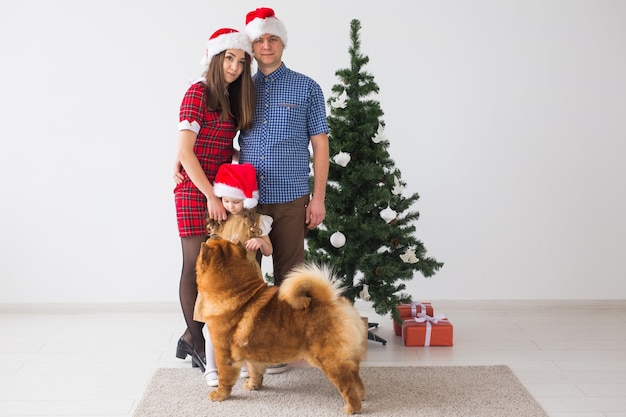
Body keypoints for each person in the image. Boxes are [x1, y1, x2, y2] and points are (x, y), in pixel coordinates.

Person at [238, 7, 330, 374]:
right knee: (247, 275)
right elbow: (219, 135)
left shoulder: (307, 87)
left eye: (272, 38)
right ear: (252, 45)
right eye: (259, 39)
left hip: (292, 195)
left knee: (290, 275)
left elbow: (320, 145)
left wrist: (318, 197)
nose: (265, 45)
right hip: (247, 201)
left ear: (282, 43)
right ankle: (252, 345)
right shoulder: (241, 87)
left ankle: (286, 346)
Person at [173, 28, 255, 375]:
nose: (235, 67)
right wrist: (209, 195)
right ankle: (198, 342)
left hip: (218, 191)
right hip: (196, 192)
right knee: (195, 267)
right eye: (229, 58)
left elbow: (218, 146)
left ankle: (193, 339)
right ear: (216, 58)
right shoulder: (197, 94)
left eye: (240, 60)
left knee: (216, 269)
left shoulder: (230, 98)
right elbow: (186, 153)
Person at [194, 162, 273, 386]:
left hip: (246, 283)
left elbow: (269, 251)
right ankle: (212, 368)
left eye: (236, 201)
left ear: (247, 200)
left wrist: (260, 242)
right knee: (213, 326)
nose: (230, 206)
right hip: (219, 284)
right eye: (226, 200)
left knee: (246, 325)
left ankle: (246, 363)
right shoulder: (219, 218)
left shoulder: (257, 221)